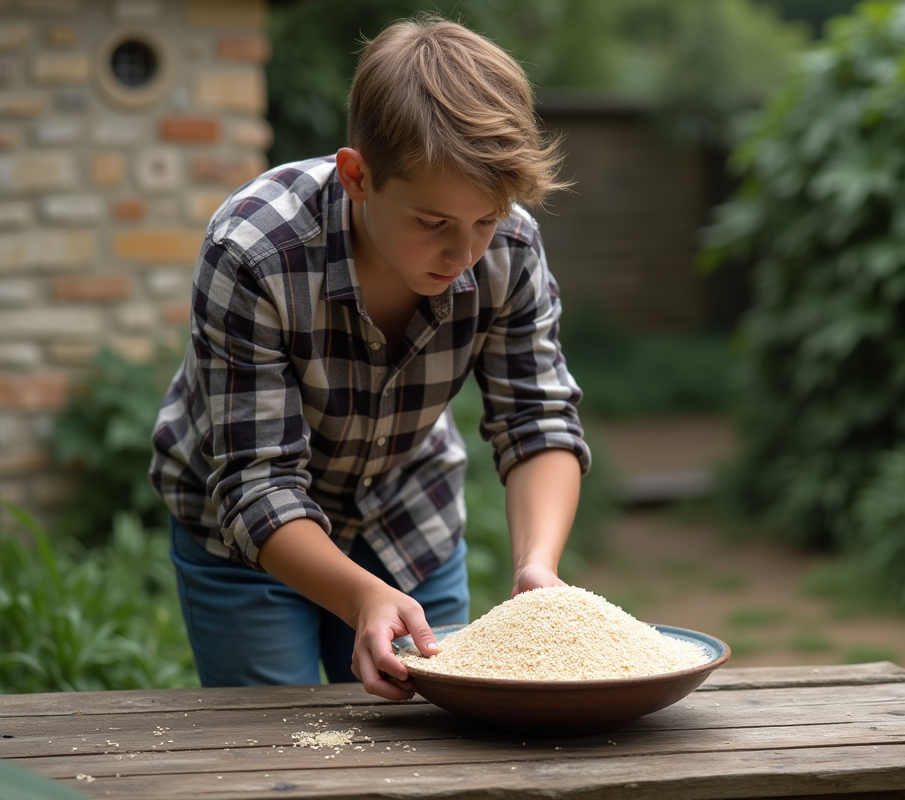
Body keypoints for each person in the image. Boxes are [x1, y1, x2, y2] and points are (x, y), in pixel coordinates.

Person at [149, 16, 590, 701]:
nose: (465, 252)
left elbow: (538, 420)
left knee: (432, 741)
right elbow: (257, 485)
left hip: (410, 519)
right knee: (283, 744)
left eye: (485, 219)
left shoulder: (511, 246)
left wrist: (537, 567)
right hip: (248, 545)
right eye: (433, 223)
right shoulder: (254, 251)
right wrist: (362, 598)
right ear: (357, 176)